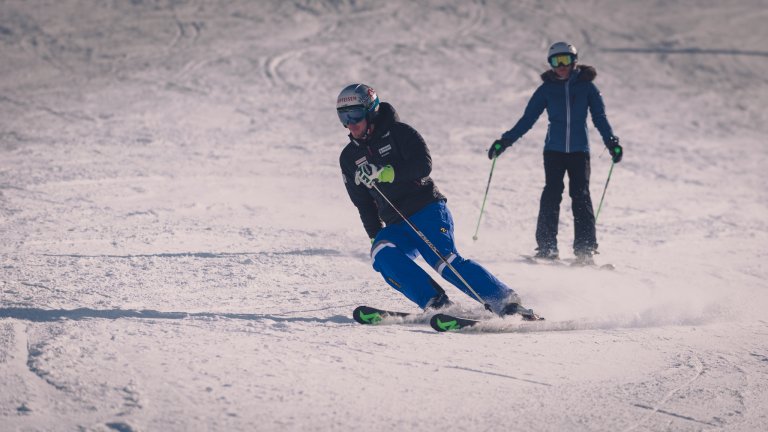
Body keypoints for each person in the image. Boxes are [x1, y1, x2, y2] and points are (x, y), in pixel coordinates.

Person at [337, 83, 536, 319]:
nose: (351, 123)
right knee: (381, 252)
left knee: (443, 260)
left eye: (356, 115)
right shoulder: (350, 158)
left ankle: (507, 303)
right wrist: (374, 234)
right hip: (396, 224)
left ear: (371, 111)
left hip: (427, 210)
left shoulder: (400, 133)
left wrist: (384, 172)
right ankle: (436, 302)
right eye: (343, 117)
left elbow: (423, 165)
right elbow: (363, 203)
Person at [488, 42, 623, 264]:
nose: (561, 66)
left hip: (580, 151)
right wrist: (505, 142)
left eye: (565, 60)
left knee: (581, 196)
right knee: (551, 195)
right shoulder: (546, 90)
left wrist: (611, 143)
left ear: (574, 61)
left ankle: (585, 250)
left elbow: (600, 117)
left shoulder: (587, 87)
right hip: (554, 151)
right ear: (550, 64)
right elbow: (527, 119)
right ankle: (547, 247)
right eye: (555, 61)